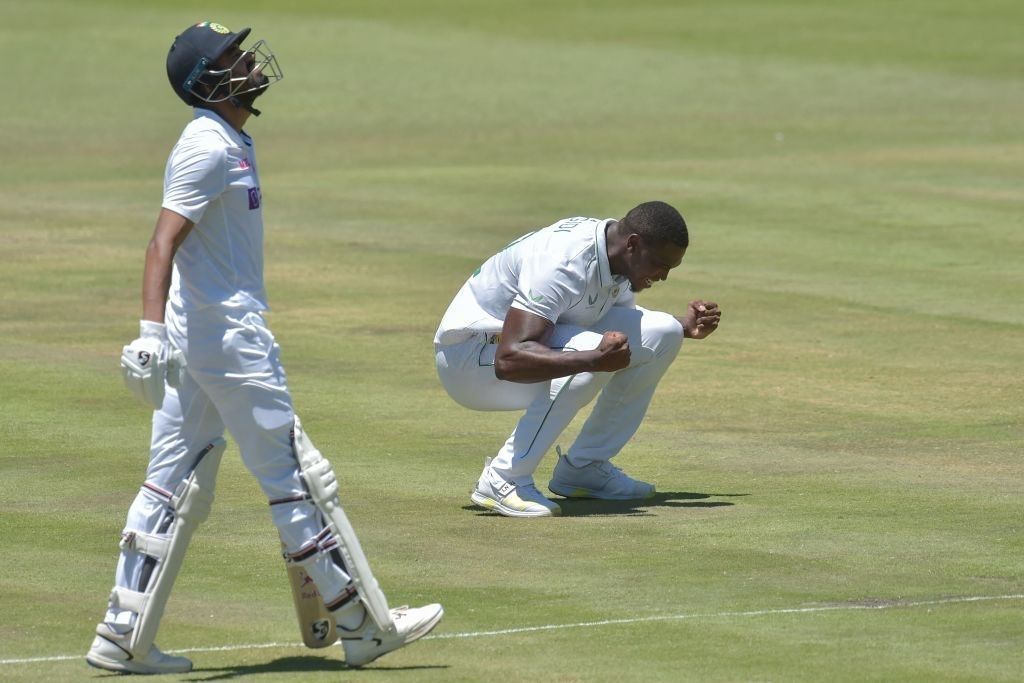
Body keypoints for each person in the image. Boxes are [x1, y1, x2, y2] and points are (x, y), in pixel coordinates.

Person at [86, 21, 442, 674]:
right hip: (228, 341)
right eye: (233, 56)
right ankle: (364, 624)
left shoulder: (227, 139)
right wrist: (147, 334)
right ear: (205, 79)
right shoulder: (207, 147)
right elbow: (162, 240)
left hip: (205, 340)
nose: (249, 61)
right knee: (297, 478)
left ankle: (121, 635)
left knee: (172, 486)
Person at [434, 201, 721, 518]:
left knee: (664, 332)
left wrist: (684, 326)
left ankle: (585, 469)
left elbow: (610, 319)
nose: (663, 276)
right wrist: (592, 360)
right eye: (658, 264)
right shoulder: (564, 263)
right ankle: (504, 478)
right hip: (470, 357)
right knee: (592, 352)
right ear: (634, 244)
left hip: (519, 346)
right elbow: (510, 359)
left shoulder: (614, 254)